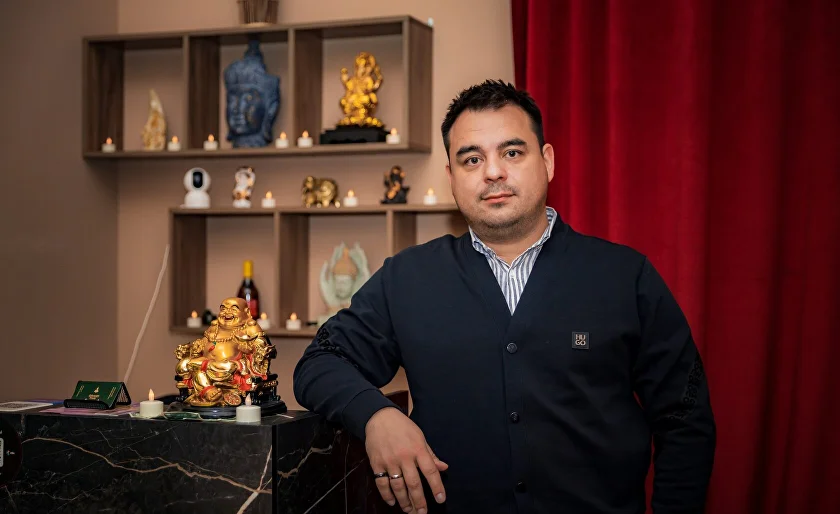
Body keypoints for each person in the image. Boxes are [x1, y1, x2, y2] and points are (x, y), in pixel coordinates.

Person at [293, 79, 716, 514]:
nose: (493, 172)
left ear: (547, 161)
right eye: (472, 159)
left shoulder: (625, 277)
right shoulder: (407, 278)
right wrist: (376, 416)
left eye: (512, 153)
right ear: (452, 177)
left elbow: (684, 419)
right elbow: (320, 362)